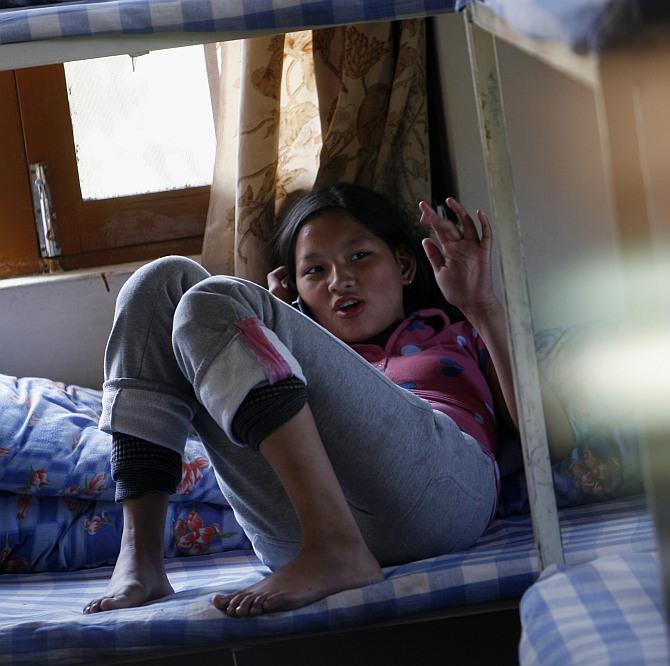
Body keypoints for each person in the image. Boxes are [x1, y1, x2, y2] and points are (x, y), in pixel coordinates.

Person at [82, 182, 552, 619]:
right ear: (298, 291)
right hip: (292, 528)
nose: (339, 280)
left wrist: (481, 306)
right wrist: (269, 332)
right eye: (315, 270)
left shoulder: (458, 336)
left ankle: (337, 548)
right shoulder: (300, 353)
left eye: (360, 256)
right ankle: (141, 562)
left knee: (212, 299)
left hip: (439, 496)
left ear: (405, 265)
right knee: (159, 280)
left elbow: (544, 433)